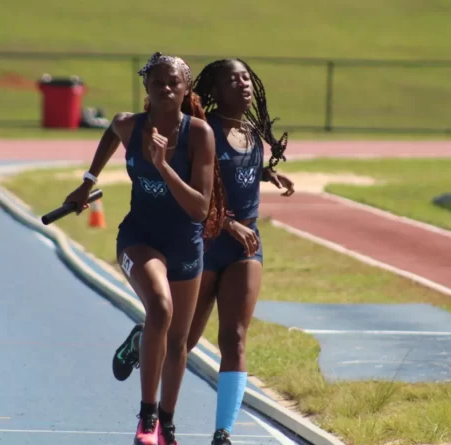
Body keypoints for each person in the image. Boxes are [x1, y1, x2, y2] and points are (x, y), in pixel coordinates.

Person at [111, 58, 294, 445]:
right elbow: (199, 192)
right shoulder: (200, 129)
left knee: (235, 337)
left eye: (246, 78)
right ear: (215, 90)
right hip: (207, 243)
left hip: (246, 247)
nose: (244, 85)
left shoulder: (250, 131)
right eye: (233, 80)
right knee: (184, 341)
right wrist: (227, 223)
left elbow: (233, 175)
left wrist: (265, 173)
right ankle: (143, 342)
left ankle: (222, 432)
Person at [63, 52, 226, 445]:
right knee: (161, 307)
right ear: (147, 89)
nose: (165, 88)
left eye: (174, 83)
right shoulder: (129, 125)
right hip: (139, 238)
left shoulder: (199, 134)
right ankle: (147, 417)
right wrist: (87, 181)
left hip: (184, 243)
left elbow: (199, 208)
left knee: (179, 341)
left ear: (186, 88)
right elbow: (110, 133)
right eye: (157, 83)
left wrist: (163, 165)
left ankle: (167, 423)